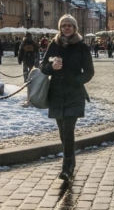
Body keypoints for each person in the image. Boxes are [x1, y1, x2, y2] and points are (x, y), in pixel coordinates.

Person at [40, 15, 95, 182]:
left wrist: (76, 81)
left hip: (74, 94)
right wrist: (51, 67)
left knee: (68, 129)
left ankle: (67, 168)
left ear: (75, 28)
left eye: (70, 25)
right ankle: (70, 160)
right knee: (62, 132)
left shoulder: (82, 47)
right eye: (63, 25)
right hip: (56, 93)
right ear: (60, 28)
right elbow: (43, 67)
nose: (66, 28)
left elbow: (89, 72)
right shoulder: (54, 45)